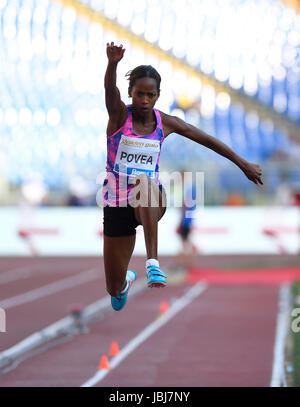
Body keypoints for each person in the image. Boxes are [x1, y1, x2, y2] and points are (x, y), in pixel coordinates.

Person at [103, 42, 263, 311]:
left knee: (144, 181)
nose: (144, 100)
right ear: (130, 93)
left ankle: (152, 263)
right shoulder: (120, 116)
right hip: (117, 203)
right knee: (114, 291)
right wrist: (113, 64)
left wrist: (242, 163)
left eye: (150, 95)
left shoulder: (165, 123)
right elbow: (109, 90)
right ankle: (124, 284)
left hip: (151, 199)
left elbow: (207, 140)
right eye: (139, 94)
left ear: (157, 95)